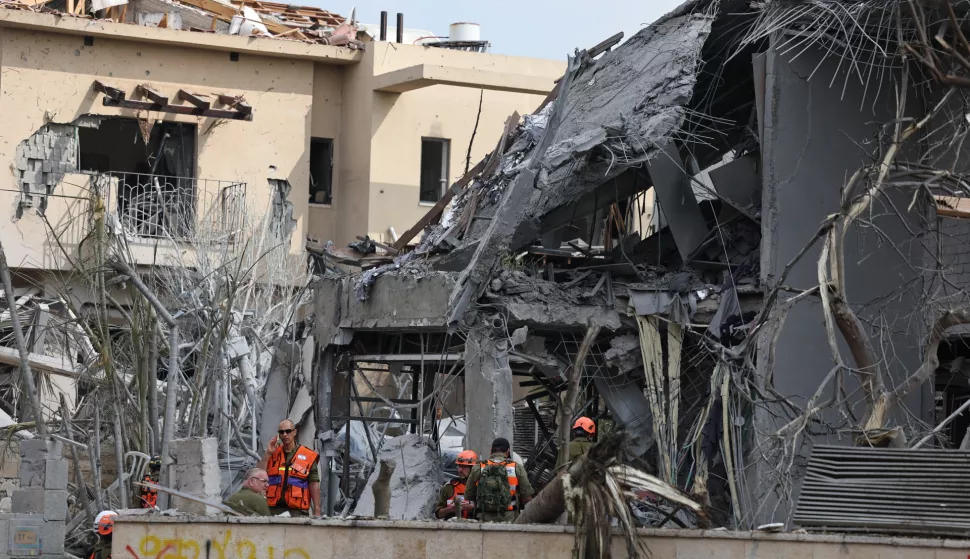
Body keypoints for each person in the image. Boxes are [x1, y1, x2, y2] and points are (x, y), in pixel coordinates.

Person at [257, 419, 321, 516]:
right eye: (281, 432)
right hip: (273, 510)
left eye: (288, 431)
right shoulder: (272, 453)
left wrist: (317, 509)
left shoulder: (308, 455)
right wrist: (267, 454)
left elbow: (313, 483)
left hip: (297, 511)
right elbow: (258, 474)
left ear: (294, 432)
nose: (285, 434)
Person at [464, 437, 534, 522]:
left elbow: (468, 495)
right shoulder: (516, 467)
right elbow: (527, 497)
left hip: (484, 520)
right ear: (508, 451)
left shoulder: (478, 467)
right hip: (509, 519)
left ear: (491, 451)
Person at [434, 450, 478, 520]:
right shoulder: (449, 487)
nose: (460, 470)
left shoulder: (480, 488)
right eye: (459, 466)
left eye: (464, 467)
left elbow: (490, 513)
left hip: (474, 526)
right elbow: (438, 514)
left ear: (473, 468)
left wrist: (473, 508)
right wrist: (450, 509)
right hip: (453, 525)